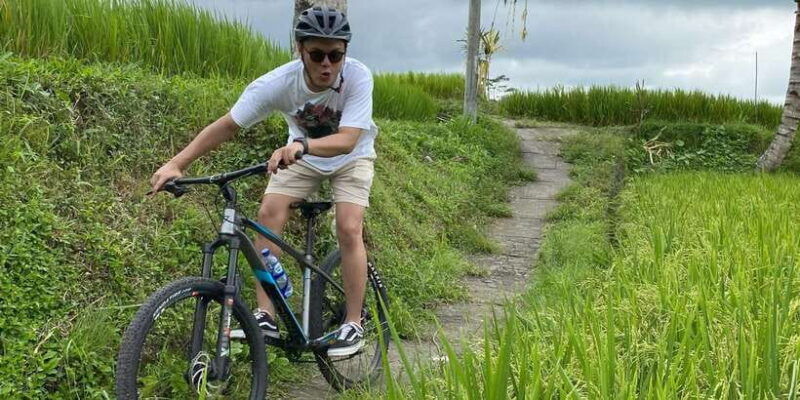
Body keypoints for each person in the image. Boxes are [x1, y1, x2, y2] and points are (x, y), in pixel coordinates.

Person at [149, 6, 377, 357]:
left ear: (345, 53)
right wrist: (177, 163)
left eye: (336, 55)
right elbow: (228, 125)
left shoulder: (358, 77)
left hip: (351, 157)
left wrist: (301, 144)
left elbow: (347, 140)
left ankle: (353, 323)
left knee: (348, 226)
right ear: (300, 50)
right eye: (317, 54)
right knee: (269, 211)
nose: (327, 64)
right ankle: (265, 314)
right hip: (303, 157)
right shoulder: (277, 85)